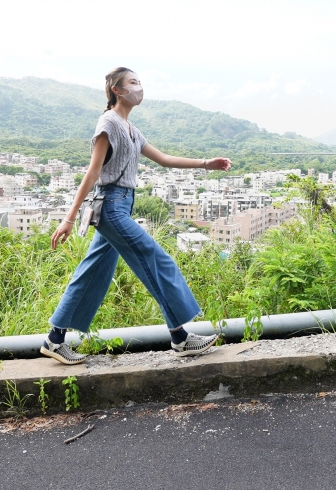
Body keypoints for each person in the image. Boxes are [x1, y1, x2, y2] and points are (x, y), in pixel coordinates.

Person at [41, 67, 232, 364]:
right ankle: (180, 338)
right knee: (156, 260)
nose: (138, 87)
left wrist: (206, 164)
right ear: (117, 90)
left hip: (120, 206)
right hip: (112, 207)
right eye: (132, 82)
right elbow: (93, 171)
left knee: (93, 272)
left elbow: (164, 160)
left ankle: (55, 340)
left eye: (139, 82)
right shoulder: (108, 123)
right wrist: (69, 217)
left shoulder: (132, 130)